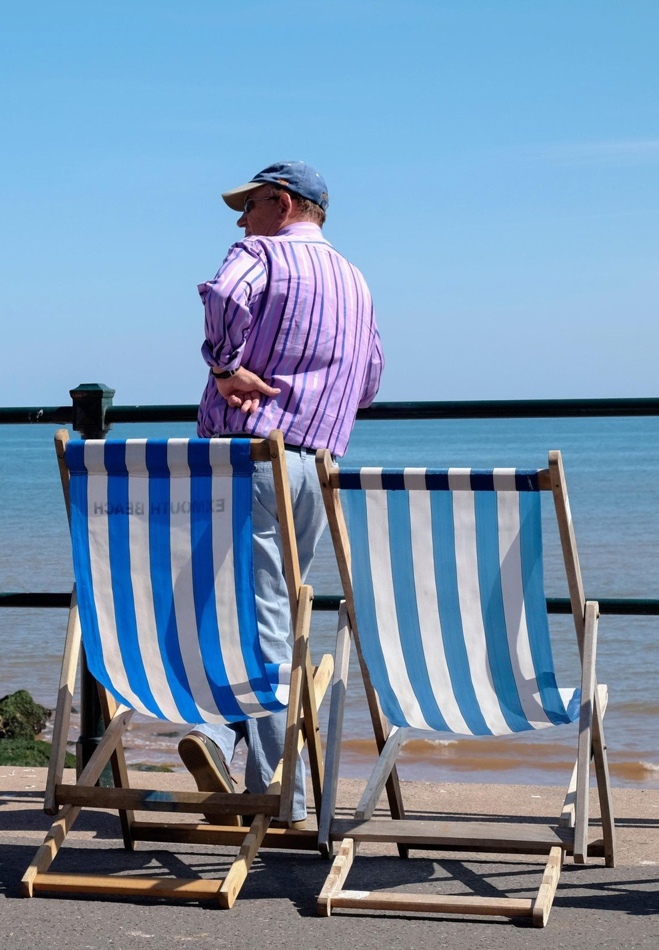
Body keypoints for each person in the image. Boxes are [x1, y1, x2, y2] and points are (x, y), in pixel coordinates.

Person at [179, 161, 383, 828]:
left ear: (281, 202)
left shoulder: (261, 253)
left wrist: (224, 364)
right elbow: (372, 373)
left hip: (247, 458)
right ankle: (236, 751)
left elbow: (224, 294)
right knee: (279, 614)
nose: (241, 221)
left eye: (250, 206)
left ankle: (271, 784)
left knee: (222, 609)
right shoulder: (356, 281)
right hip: (316, 465)